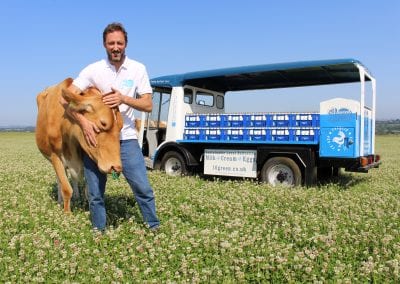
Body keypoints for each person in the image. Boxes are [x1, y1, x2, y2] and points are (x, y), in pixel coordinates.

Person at [65, 22, 160, 232]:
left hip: (126, 139)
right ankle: (99, 231)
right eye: (111, 43)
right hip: (96, 140)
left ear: (126, 44)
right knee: (96, 193)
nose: (115, 47)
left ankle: (153, 227)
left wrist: (123, 98)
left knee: (142, 187)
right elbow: (66, 100)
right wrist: (84, 123)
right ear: (104, 45)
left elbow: (147, 104)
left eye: (119, 43)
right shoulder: (93, 70)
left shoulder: (138, 69)